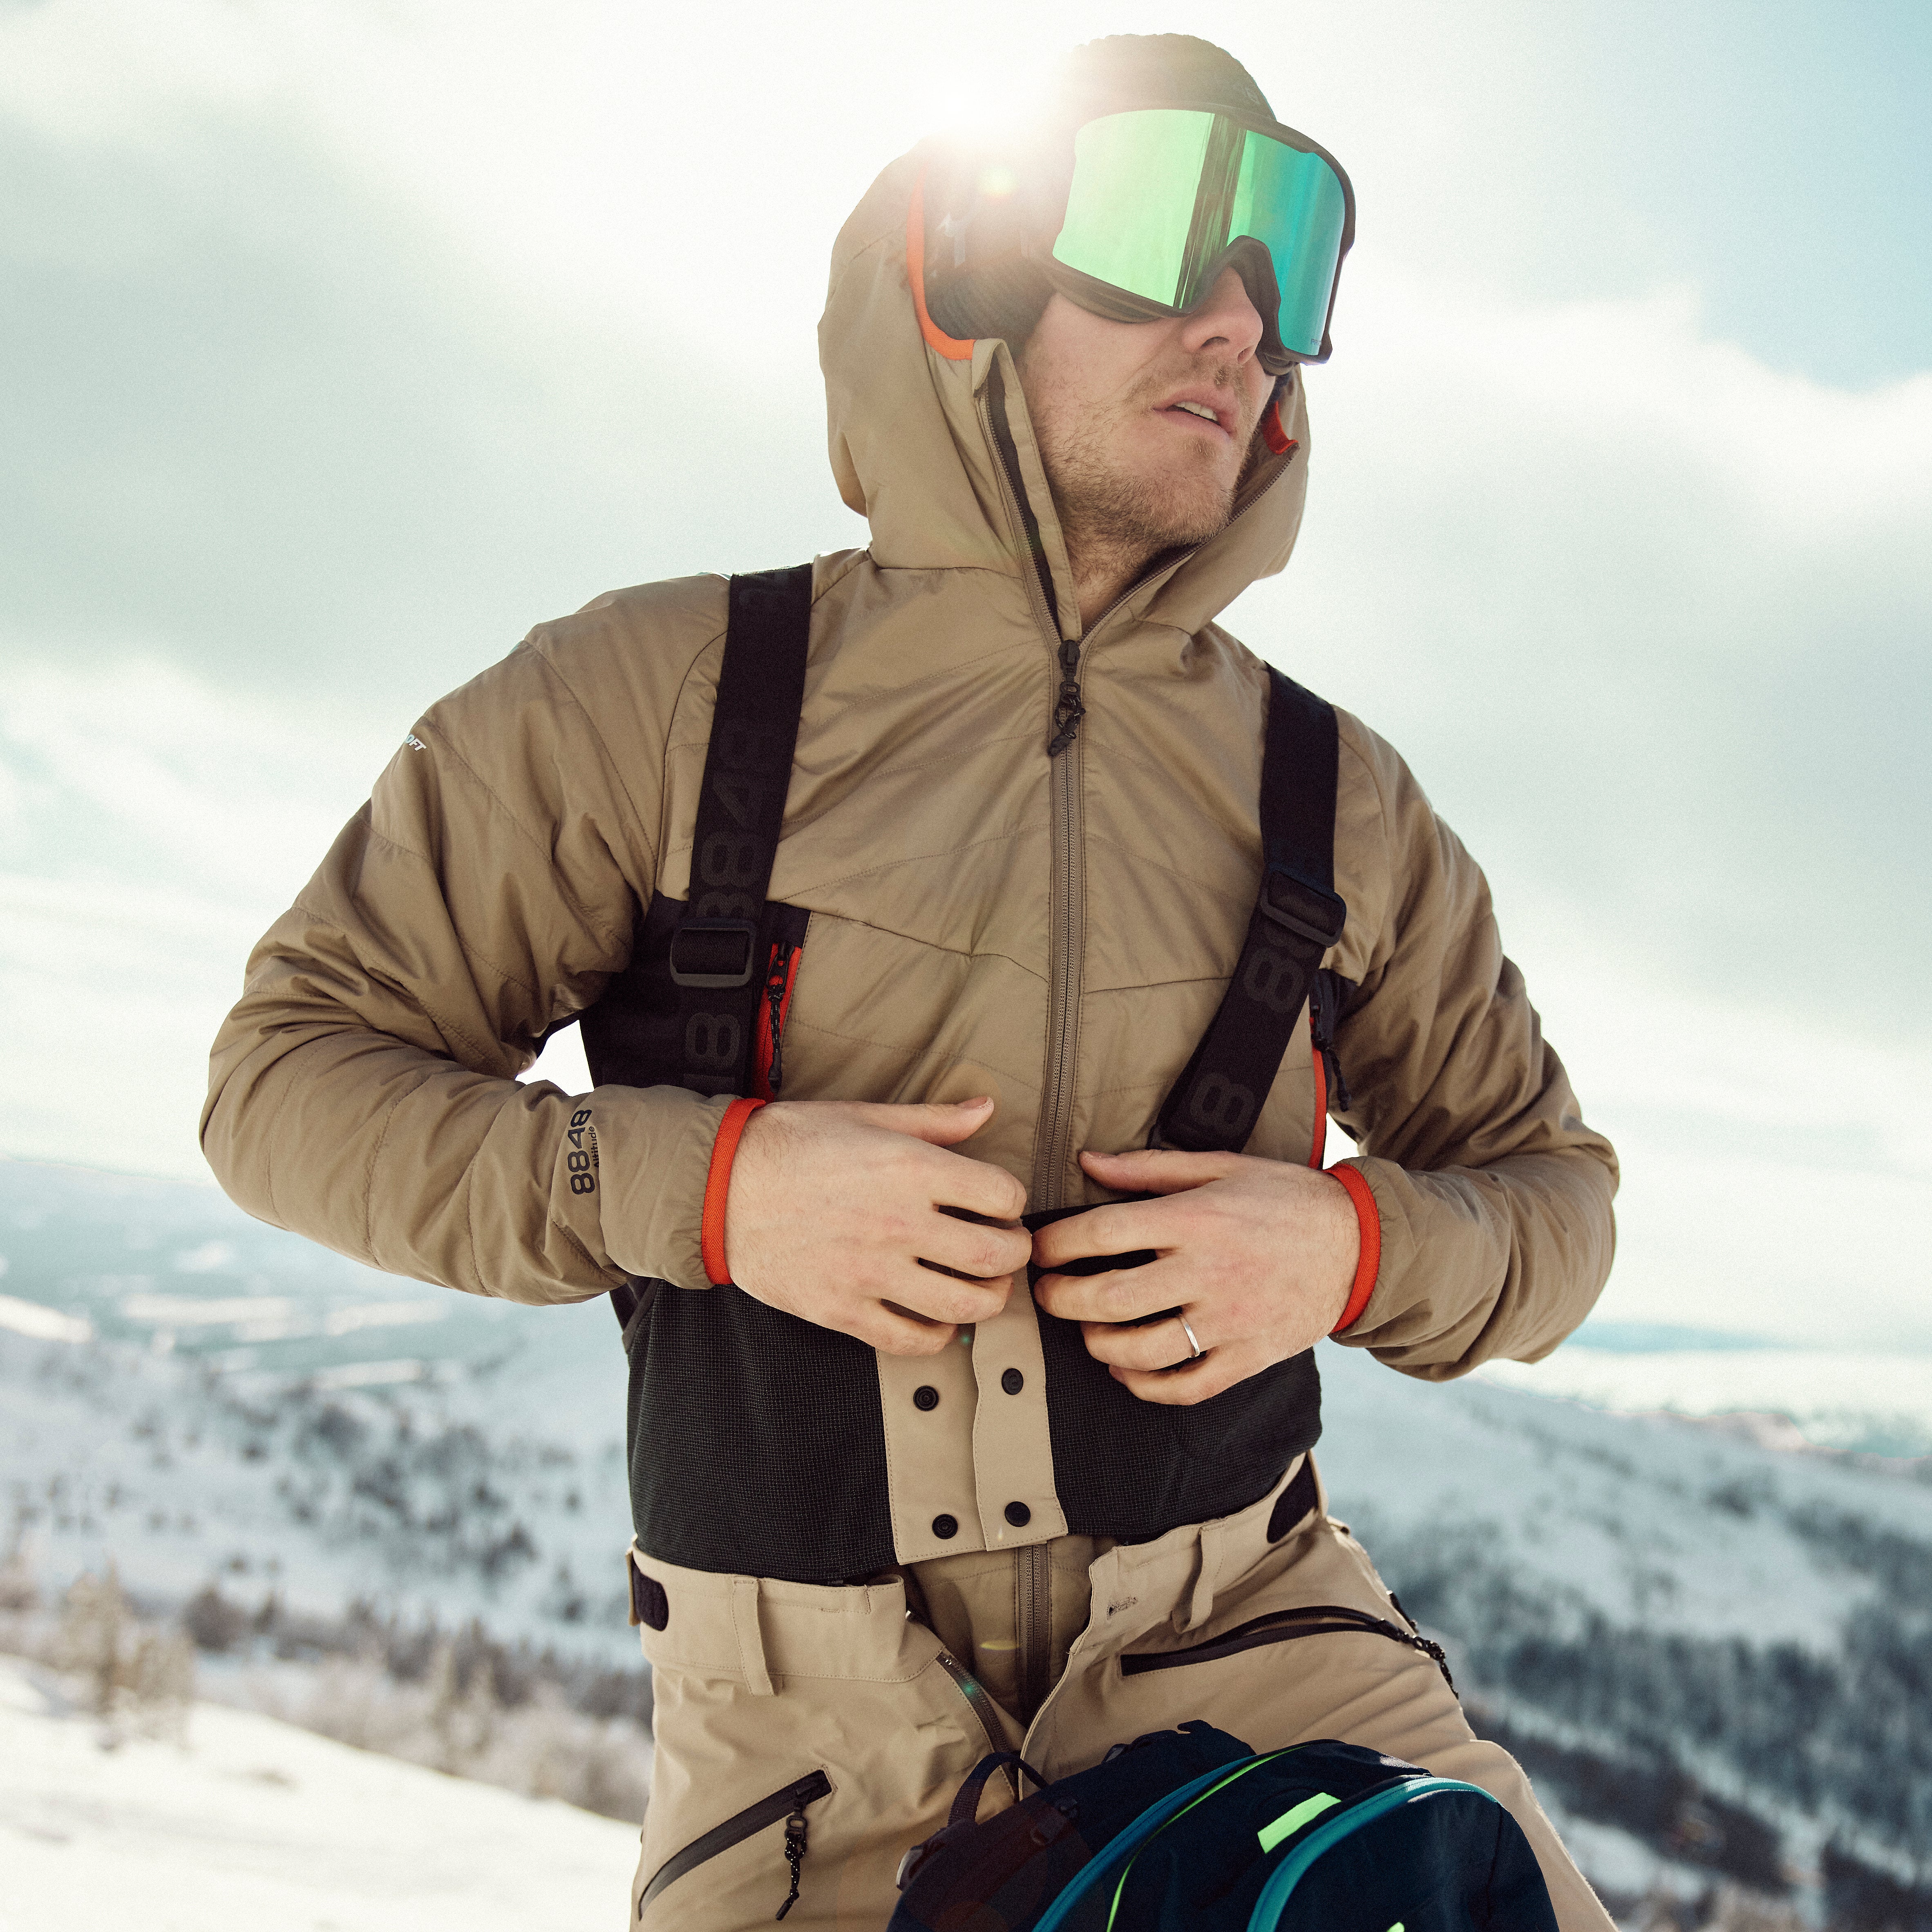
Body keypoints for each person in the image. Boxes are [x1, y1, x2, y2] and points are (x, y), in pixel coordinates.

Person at [204, 33, 1619, 1932]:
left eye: (1293, 263)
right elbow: (284, 1083)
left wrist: (1351, 1252)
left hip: (1267, 1655)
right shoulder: (664, 699)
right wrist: (707, 1190)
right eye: (1162, 236)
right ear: (969, 275)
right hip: (817, 1747)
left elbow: (1556, 1201)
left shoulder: (1338, 797)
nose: (1242, 327)